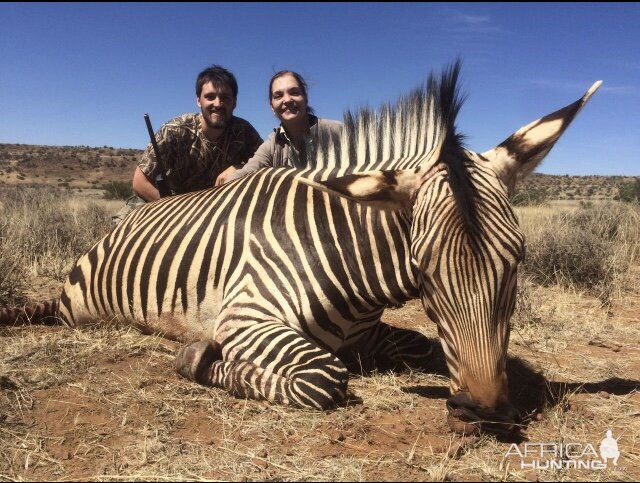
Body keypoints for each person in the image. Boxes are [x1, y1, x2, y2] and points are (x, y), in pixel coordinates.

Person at [112, 65, 262, 225]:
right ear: (198, 100)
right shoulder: (174, 130)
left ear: (235, 102)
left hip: (213, 210)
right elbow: (139, 182)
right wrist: (175, 210)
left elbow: (269, 166)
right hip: (165, 205)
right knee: (122, 234)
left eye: (225, 97)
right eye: (210, 97)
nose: (218, 104)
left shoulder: (244, 132)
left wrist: (240, 167)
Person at [225, 70, 342, 183]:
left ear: (306, 98)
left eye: (294, 92)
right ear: (272, 106)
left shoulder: (338, 132)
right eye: (278, 96)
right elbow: (247, 172)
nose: (287, 100)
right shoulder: (272, 145)